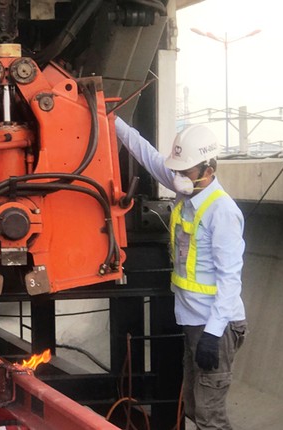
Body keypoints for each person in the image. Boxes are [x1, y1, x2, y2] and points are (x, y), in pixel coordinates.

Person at [115, 118, 247, 430]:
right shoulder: (186, 187)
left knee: (210, 417)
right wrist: (111, 117)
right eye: (176, 171)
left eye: (184, 172)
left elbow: (231, 278)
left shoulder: (222, 211)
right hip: (193, 322)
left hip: (215, 326)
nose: (176, 178)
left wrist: (213, 334)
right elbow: (145, 153)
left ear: (208, 170)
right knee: (192, 404)